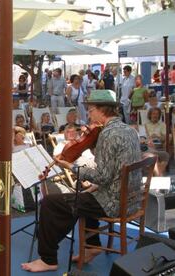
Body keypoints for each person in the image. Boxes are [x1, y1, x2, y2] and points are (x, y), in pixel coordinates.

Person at [21, 90, 142, 272]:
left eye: (91, 109)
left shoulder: (108, 135)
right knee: (84, 196)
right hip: (131, 198)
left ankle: (48, 259)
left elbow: (102, 175)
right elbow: (115, 167)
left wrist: (71, 167)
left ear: (102, 110)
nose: (88, 114)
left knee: (51, 203)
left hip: (113, 201)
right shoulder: (127, 129)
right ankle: (92, 246)